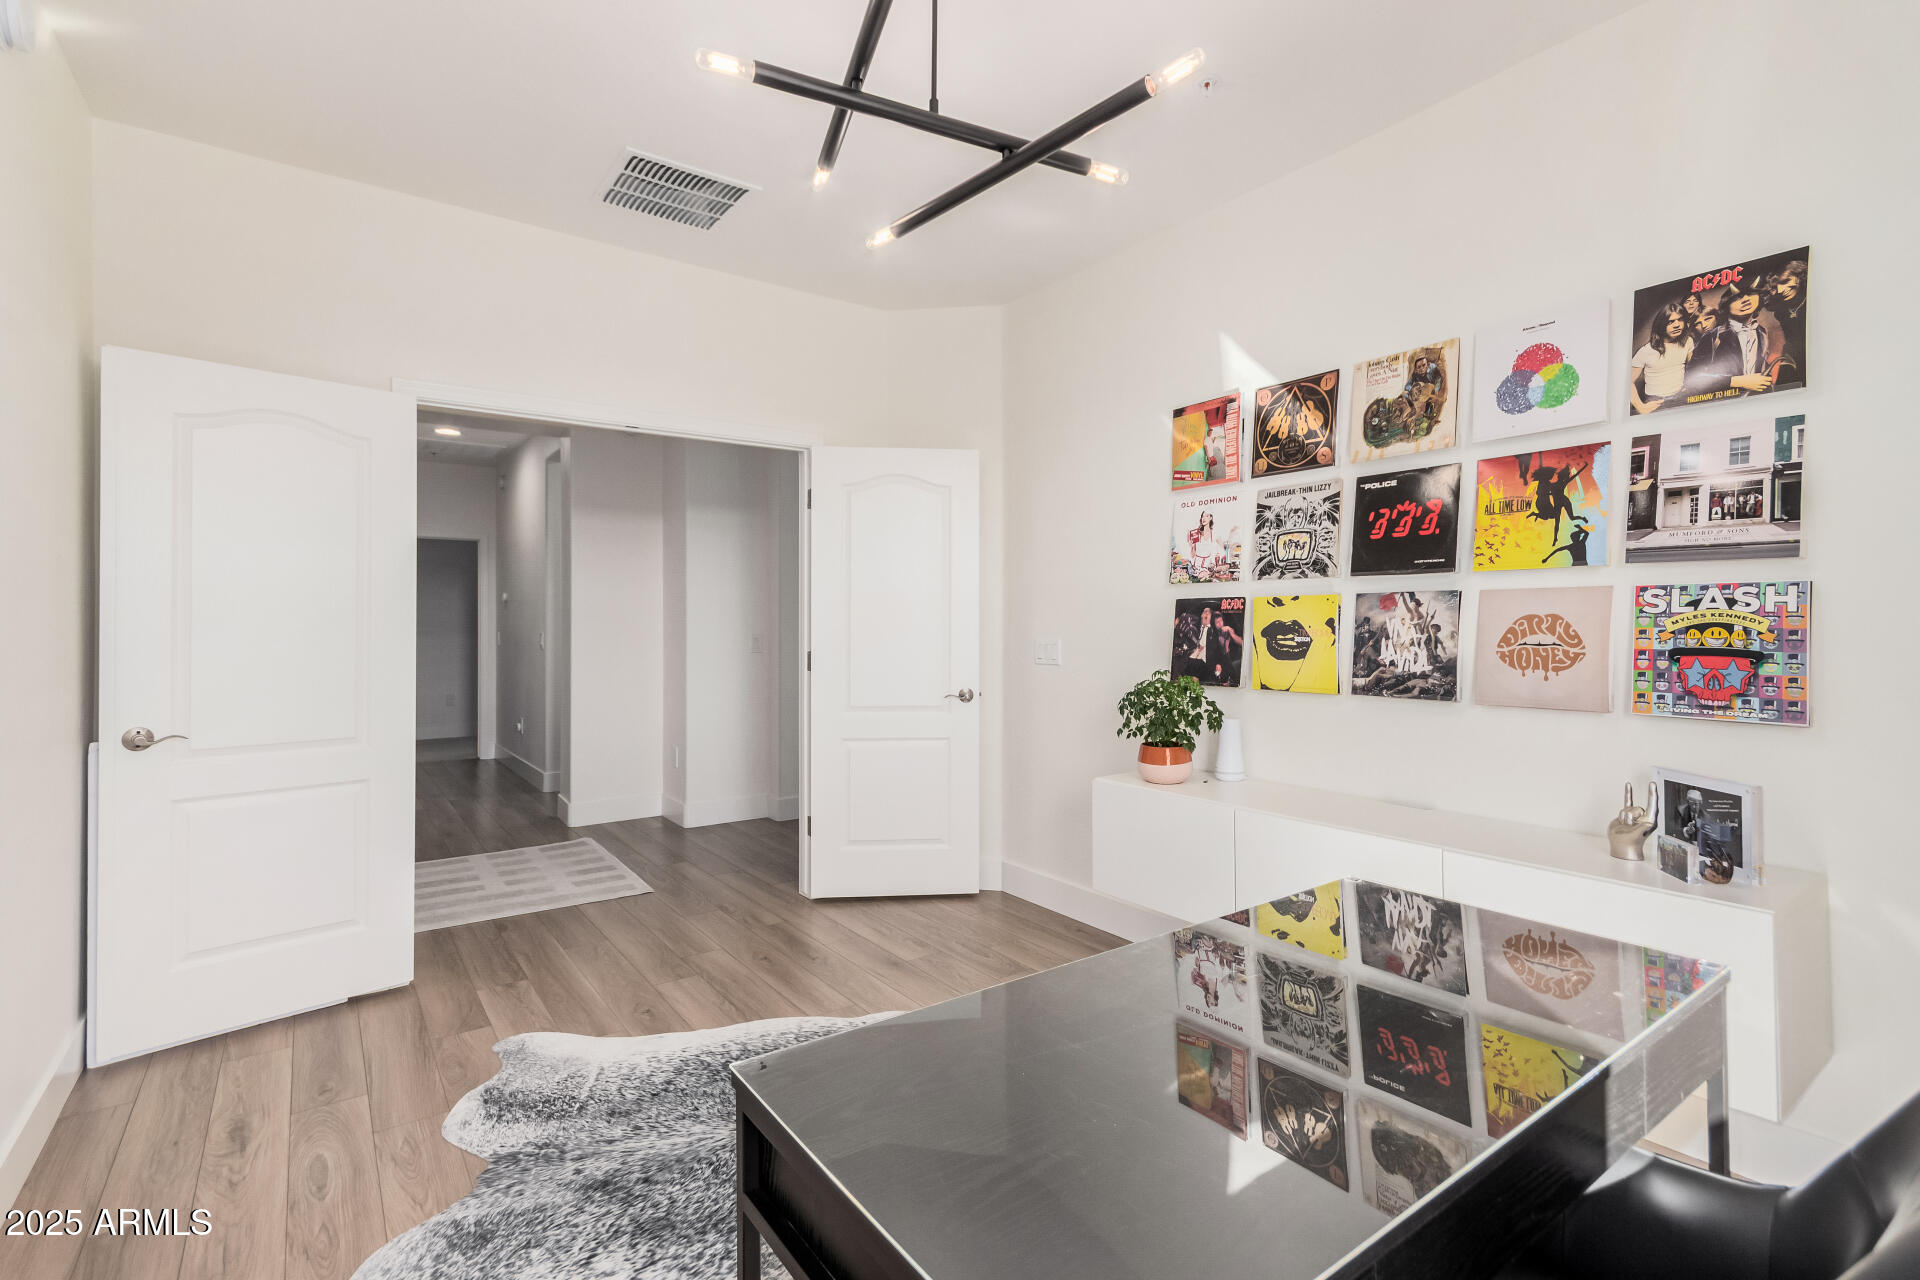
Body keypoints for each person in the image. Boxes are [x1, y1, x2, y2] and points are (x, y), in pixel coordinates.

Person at [1686, 279, 1775, 400]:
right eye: (1736, 298)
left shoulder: (1762, 331)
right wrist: (1736, 382)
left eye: (1750, 294)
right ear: (1727, 305)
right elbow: (1692, 377)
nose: (1745, 300)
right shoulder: (1713, 336)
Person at [1631, 301, 1693, 413]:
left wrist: (1688, 386)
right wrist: (1640, 406)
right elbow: (1627, 382)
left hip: (1681, 397)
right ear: (1661, 325)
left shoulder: (1688, 341)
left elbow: (1693, 367)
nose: (1677, 325)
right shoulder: (1647, 350)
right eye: (1670, 322)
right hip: (1656, 401)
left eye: (1680, 320)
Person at [1766, 259, 1808, 387]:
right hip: (1791, 355)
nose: (1780, 290)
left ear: (1799, 276)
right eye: (1776, 286)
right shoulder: (1781, 310)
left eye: (1785, 282)